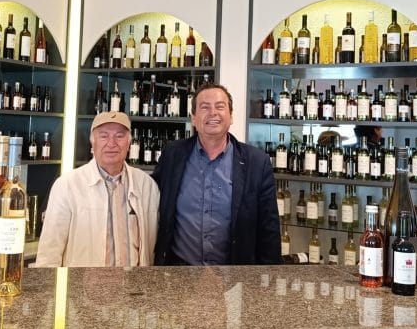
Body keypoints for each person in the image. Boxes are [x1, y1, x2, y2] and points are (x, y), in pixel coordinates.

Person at [152, 82, 280, 265]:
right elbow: (150, 200)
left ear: (231, 116)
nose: (213, 113)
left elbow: (269, 230)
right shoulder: (172, 155)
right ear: (193, 118)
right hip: (179, 272)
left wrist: (269, 277)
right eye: (204, 107)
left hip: (234, 275)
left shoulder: (257, 163)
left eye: (220, 106)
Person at [35, 111, 159, 267]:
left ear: (129, 143)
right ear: (92, 143)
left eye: (119, 136)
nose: (111, 143)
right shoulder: (67, 186)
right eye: (104, 136)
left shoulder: (147, 186)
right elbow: (49, 254)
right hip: (83, 282)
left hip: (135, 282)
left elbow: (152, 247)